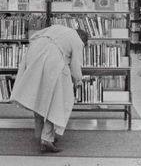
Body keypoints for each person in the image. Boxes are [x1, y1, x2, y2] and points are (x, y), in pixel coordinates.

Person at [10, 25, 88, 153]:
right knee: (57, 101)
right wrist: (78, 81)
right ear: (83, 40)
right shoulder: (77, 40)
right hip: (51, 61)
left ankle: (39, 134)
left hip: (33, 54)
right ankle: (46, 138)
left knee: (39, 97)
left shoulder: (59, 27)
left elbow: (34, 37)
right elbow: (76, 68)